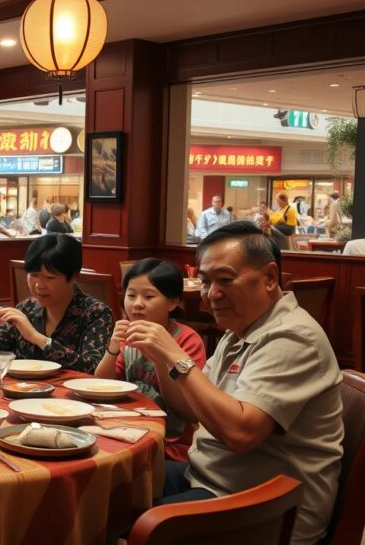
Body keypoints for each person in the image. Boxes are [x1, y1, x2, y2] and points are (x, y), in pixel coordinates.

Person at [126, 221, 343, 545]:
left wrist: (175, 355)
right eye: (205, 281)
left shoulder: (293, 337)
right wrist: (160, 357)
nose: (211, 293)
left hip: (266, 509)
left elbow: (241, 433)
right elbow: (189, 408)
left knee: (131, 526)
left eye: (225, 280)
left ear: (270, 277)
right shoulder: (239, 330)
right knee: (105, 491)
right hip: (207, 479)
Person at [93, 259, 206, 462]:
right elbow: (101, 387)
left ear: (173, 302)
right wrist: (112, 348)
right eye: (131, 295)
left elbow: (183, 409)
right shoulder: (130, 334)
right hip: (126, 434)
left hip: (169, 446)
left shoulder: (185, 340)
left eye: (149, 296)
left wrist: (159, 358)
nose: (137, 304)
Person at [0, 234, 112, 373]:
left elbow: (93, 368)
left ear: (73, 277)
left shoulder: (96, 313)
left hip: (69, 400)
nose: (39, 285)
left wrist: (36, 337)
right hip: (20, 393)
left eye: (50, 277)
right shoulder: (27, 308)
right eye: (33, 275)